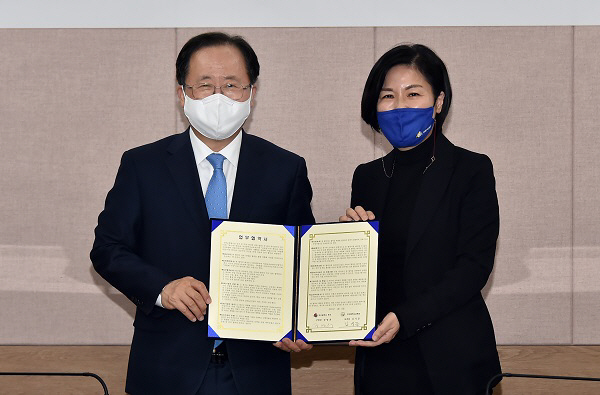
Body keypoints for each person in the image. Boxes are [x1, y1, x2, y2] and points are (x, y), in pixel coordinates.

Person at [91, 32, 314, 395]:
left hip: (256, 370)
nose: (219, 97)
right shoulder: (141, 165)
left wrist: (299, 323)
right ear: (182, 94)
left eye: (232, 85)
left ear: (251, 94)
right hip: (166, 368)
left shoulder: (285, 168)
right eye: (205, 85)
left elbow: (302, 261)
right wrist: (162, 288)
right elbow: (108, 249)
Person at [340, 43, 501, 394]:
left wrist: (405, 318)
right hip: (382, 357)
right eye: (388, 96)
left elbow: (473, 268)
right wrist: (349, 245)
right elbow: (369, 274)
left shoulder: (471, 170)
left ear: (438, 102)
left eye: (413, 94)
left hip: (450, 357)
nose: (399, 106)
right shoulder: (367, 176)